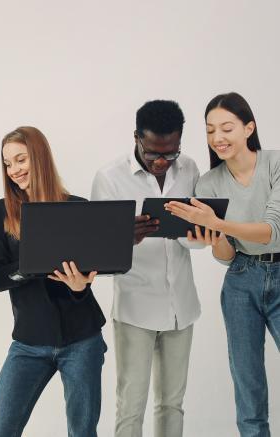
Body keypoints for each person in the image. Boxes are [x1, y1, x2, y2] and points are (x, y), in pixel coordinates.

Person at [165, 92, 280, 437]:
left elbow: (271, 232)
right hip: (241, 281)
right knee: (247, 384)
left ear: (249, 128)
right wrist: (214, 238)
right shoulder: (209, 183)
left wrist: (217, 224)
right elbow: (225, 254)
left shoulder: (274, 164)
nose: (218, 138)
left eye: (226, 128)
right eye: (210, 131)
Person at [0, 126, 106, 437]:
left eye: (20, 160)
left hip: (82, 340)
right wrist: (32, 265)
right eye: (8, 164)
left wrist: (79, 288)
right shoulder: (1, 211)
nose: (14, 170)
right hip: (29, 342)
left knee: (82, 431)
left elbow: (87, 274)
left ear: (39, 157)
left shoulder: (77, 207)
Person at [91, 100, 201, 437]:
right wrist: (125, 240)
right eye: (154, 154)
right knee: (131, 406)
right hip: (135, 309)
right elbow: (95, 254)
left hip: (181, 307)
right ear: (137, 138)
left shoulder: (190, 169)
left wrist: (197, 233)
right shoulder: (109, 179)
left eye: (172, 152)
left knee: (172, 403)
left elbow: (194, 243)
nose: (163, 162)